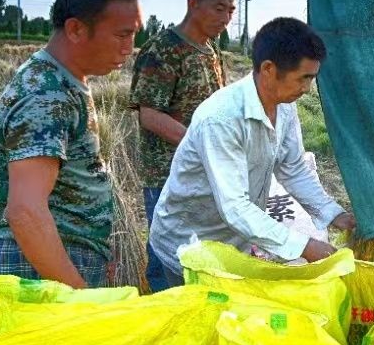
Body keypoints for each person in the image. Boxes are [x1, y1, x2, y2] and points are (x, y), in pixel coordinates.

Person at [147, 17, 355, 289]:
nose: (307, 89)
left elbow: (293, 169)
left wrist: (334, 214)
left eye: (312, 79)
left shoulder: (284, 106)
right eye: (302, 78)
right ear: (268, 69)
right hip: (188, 243)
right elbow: (235, 206)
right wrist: (303, 246)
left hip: (233, 244)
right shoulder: (221, 118)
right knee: (192, 321)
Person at [0, 0, 141, 288]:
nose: (129, 47)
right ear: (76, 29)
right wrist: (79, 295)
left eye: (134, 34)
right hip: (35, 270)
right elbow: (25, 211)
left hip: (55, 262)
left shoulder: (64, 83)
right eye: (122, 35)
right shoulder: (46, 94)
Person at [130, 0, 235, 292]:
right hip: (168, 175)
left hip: (205, 173)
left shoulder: (210, 49)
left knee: (201, 252)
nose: (226, 17)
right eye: (219, 8)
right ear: (193, 4)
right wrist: (199, 145)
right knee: (167, 253)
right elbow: (149, 114)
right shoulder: (163, 50)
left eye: (230, 10)